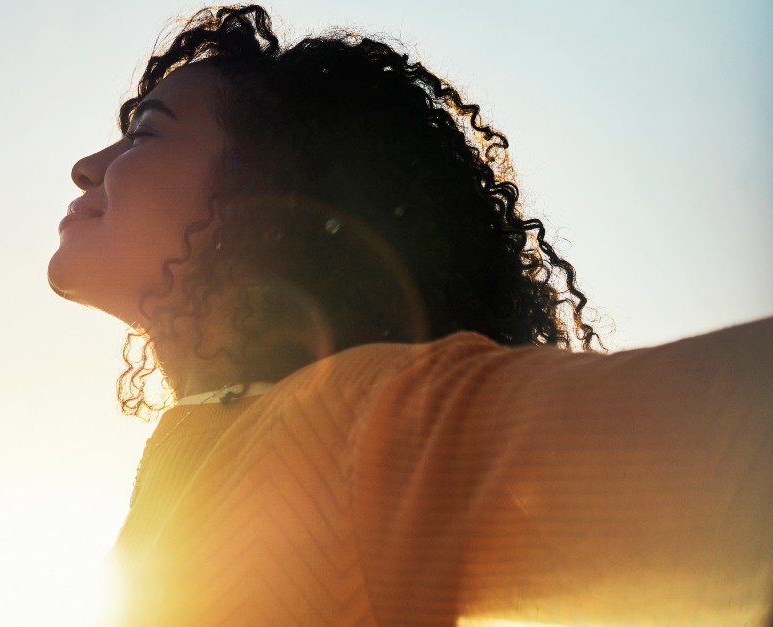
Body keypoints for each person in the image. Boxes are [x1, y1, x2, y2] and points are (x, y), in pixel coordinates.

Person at [48, 6, 772, 626]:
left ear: (269, 194)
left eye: (145, 133)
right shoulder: (193, 463)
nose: (87, 165)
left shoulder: (356, 423)